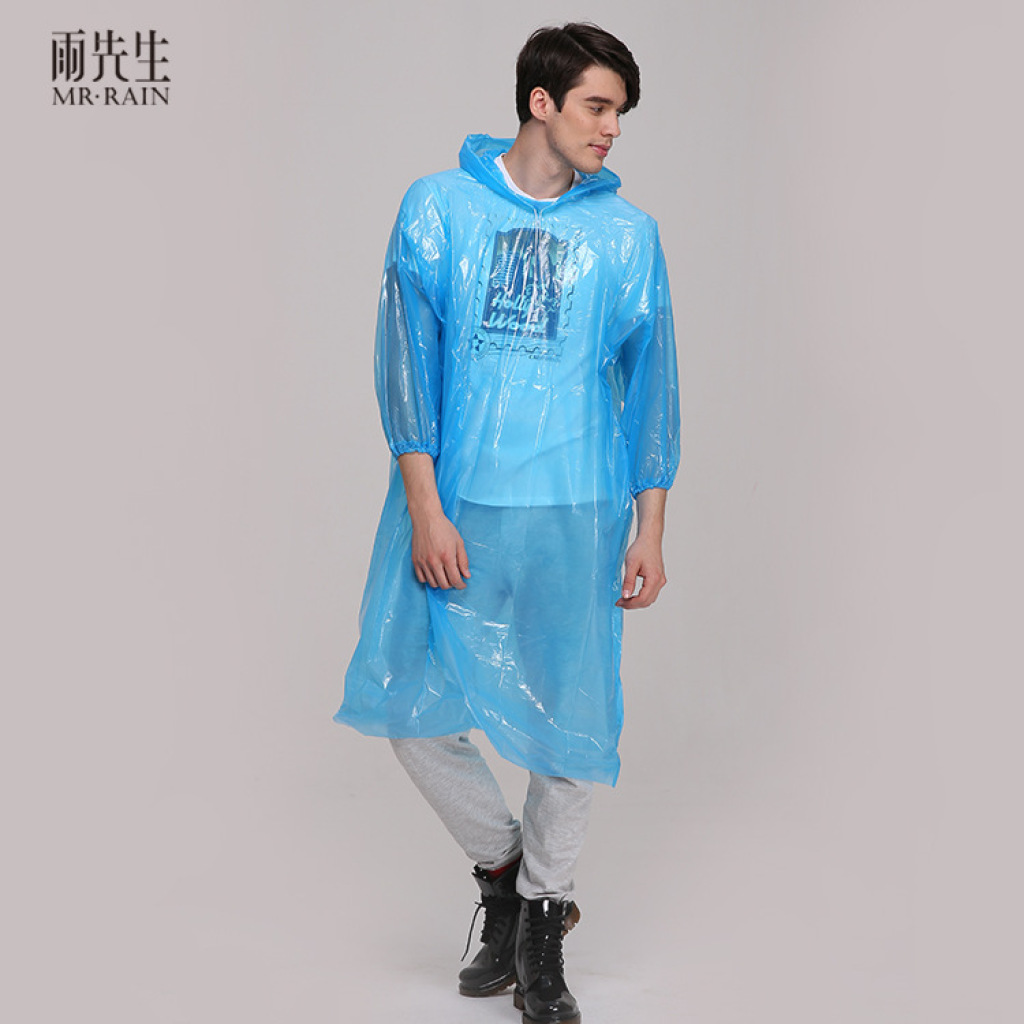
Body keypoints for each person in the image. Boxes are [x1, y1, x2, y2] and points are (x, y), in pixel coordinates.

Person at [335, 22, 680, 1024]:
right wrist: (426, 508)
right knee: (406, 702)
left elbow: (651, 390)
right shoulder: (438, 209)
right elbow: (406, 367)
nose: (612, 129)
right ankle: (509, 872)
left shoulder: (628, 237)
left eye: (619, 112)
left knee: (570, 720)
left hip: (578, 506)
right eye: (597, 106)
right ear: (541, 101)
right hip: (458, 508)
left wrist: (650, 527)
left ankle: (538, 932)